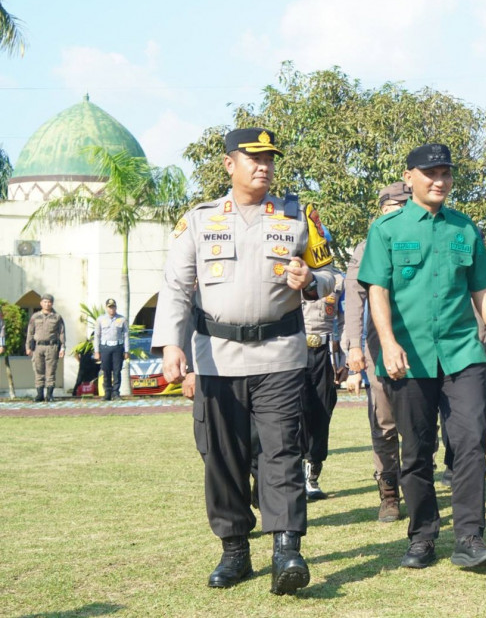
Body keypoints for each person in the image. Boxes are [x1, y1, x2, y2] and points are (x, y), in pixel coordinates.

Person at [153, 127, 337, 594]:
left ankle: (287, 550)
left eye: (270, 158)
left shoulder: (299, 216)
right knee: (224, 458)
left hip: (280, 354)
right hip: (217, 358)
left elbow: (333, 273)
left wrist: (311, 279)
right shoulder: (198, 219)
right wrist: (172, 346)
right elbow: (176, 287)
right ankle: (235, 551)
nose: (264, 166)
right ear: (228, 165)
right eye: (253, 158)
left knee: (282, 451)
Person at [359, 143, 486, 569]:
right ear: (409, 178)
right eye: (430, 173)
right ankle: (422, 537)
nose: (439, 181)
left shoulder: (465, 228)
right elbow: (377, 291)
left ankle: (470, 537)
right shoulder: (386, 230)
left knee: (471, 440)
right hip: (410, 355)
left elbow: (480, 288)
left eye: (445, 173)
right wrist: (386, 341)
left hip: (462, 352)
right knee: (416, 450)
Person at [343, 181, 411, 524]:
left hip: (420, 345)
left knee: (421, 422)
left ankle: (416, 485)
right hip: (377, 348)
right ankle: (388, 492)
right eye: (390, 208)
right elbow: (354, 301)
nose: (396, 213)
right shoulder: (366, 246)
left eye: (403, 206)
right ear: (381, 211)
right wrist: (353, 346)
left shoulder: (421, 237)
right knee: (384, 422)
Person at [301, 266, 344, 501]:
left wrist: (344, 359)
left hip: (325, 352)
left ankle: (312, 476)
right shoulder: (294, 272)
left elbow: (344, 319)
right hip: (294, 351)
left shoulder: (337, 279)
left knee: (322, 412)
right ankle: (293, 475)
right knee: (295, 414)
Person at [26, 294, 65, 402]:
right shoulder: (35, 316)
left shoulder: (57, 317)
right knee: (38, 370)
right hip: (38, 347)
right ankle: (39, 395)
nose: (47, 304)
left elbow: (61, 333)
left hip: (52, 347)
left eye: (49, 302)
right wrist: (28, 347)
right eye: (45, 302)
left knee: (51, 371)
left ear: (52, 303)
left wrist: (63, 348)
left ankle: (49, 395)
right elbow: (30, 332)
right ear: (41, 303)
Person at [94, 298, 129, 401]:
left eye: (113, 307)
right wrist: (96, 351)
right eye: (109, 307)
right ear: (106, 308)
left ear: (116, 307)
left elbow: (126, 335)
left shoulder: (122, 319)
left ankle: (116, 393)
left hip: (117, 347)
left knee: (117, 371)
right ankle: (107, 393)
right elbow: (97, 336)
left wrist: (126, 350)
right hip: (105, 348)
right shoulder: (100, 319)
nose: (111, 309)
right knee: (106, 371)